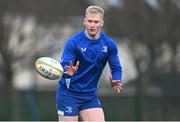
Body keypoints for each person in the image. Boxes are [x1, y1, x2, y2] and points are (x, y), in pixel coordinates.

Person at [56, 5, 122, 121]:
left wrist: (116, 79)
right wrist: (68, 72)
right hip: (69, 94)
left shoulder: (109, 44)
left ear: (102, 23)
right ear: (84, 22)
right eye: (90, 21)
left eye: (96, 22)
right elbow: (64, 67)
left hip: (89, 96)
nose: (92, 25)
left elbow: (116, 68)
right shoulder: (74, 42)